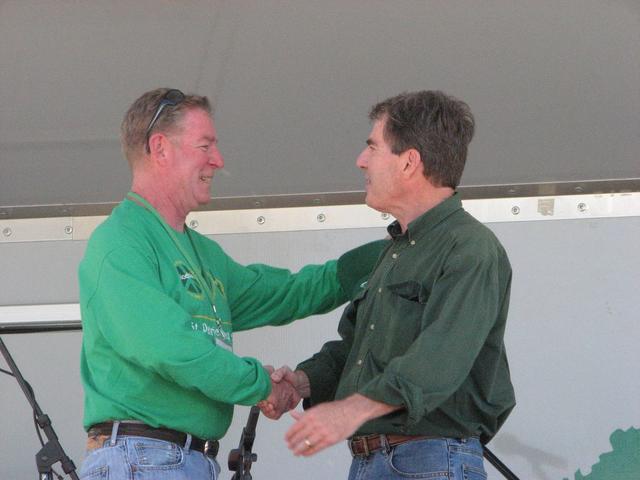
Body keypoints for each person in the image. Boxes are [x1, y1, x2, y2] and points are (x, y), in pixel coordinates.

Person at [78, 87, 384, 479]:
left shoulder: (202, 253)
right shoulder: (121, 242)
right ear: (160, 148)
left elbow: (284, 293)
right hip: (141, 458)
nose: (218, 161)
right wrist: (261, 386)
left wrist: (389, 253)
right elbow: (172, 350)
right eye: (205, 146)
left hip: (182, 459)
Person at [261, 90, 516, 480]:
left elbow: (438, 358)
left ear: (410, 162)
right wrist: (302, 381)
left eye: (372, 147)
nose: (360, 161)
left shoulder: (470, 248)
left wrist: (350, 411)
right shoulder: (393, 251)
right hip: (375, 463)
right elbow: (355, 352)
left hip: (430, 461)